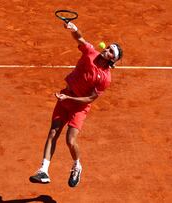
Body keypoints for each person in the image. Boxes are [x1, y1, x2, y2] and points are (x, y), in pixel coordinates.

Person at [29, 21, 123, 187]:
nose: (105, 49)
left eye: (110, 51)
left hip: (79, 106)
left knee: (70, 141)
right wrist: (74, 28)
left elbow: (89, 99)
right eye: (107, 47)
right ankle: (43, 170)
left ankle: (77, 165)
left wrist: (69, 100)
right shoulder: (90, 53)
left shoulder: (105, 78)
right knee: (53, 132)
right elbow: (79, 38)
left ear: (112, 60)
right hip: (66, 96)